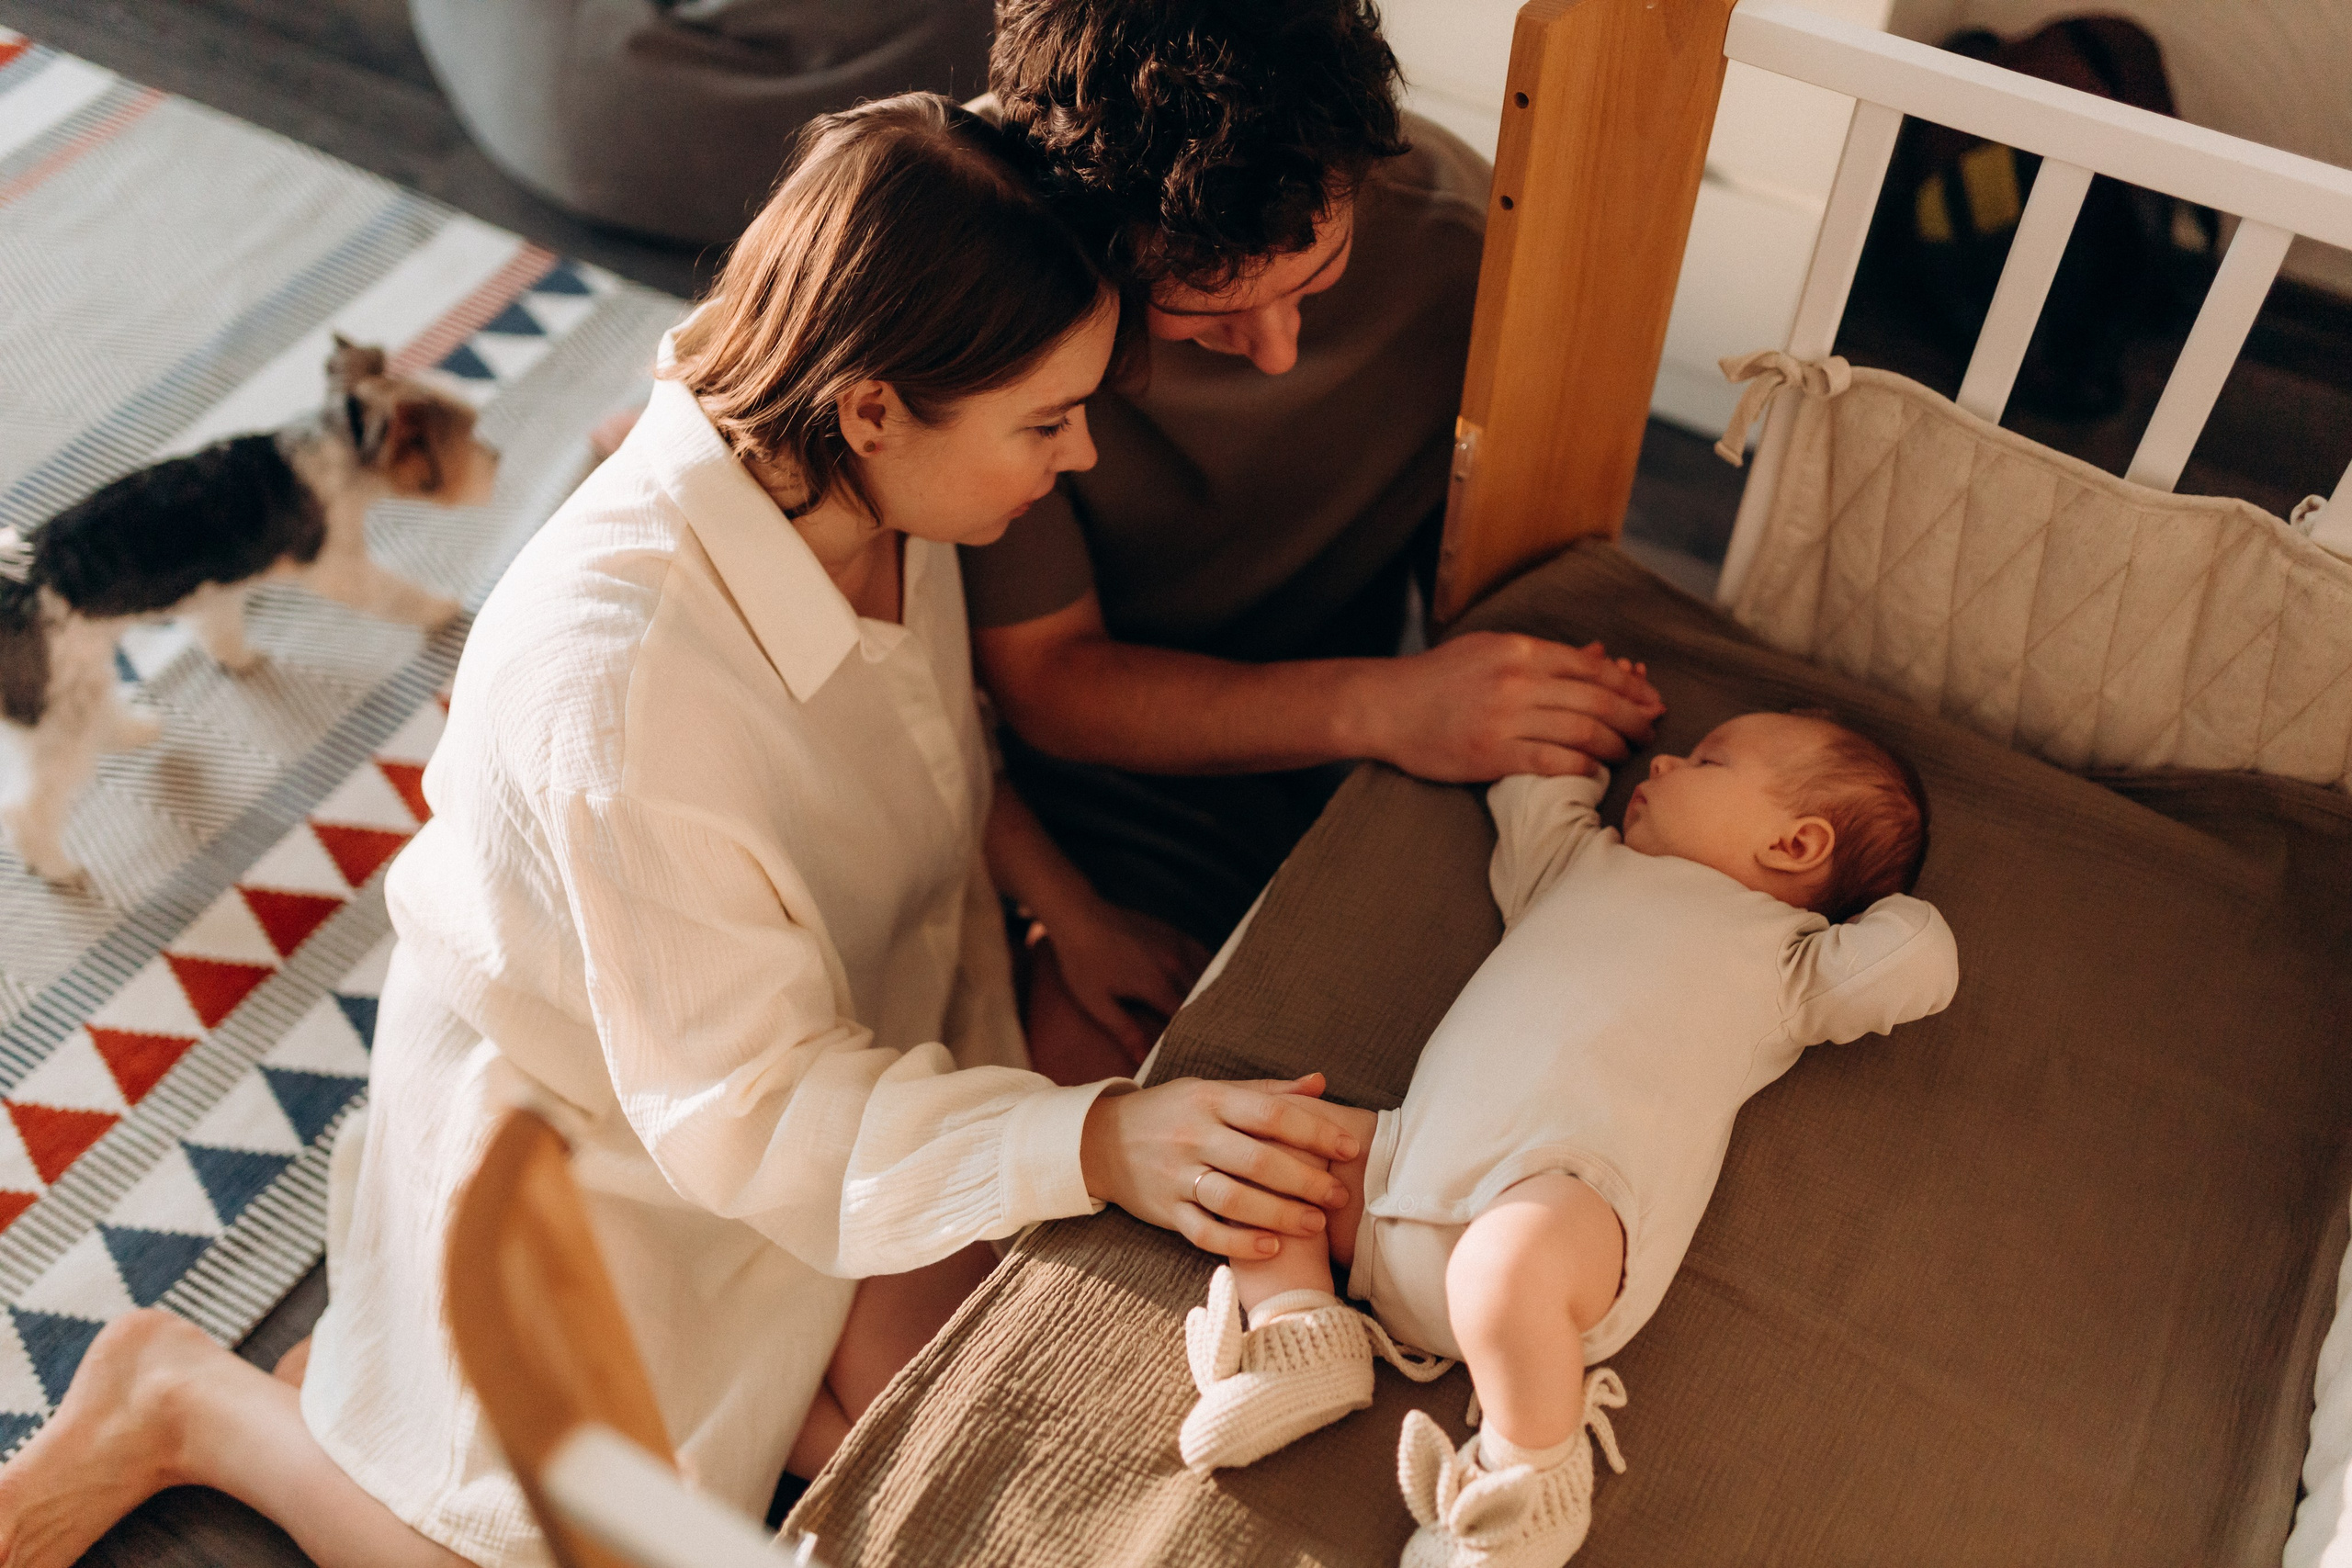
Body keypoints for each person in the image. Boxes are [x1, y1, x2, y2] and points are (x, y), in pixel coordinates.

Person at [0, 95, 1365, 1568]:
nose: (1080, 455)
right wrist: (1100, 1136)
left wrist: (1061, 905)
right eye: (1047, 421)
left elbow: (918, 748)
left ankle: (774, 1401)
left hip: (838, 1031)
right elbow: (755, 1112)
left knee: (936, 1425)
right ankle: (183, 1394)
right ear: (873, 411)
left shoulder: (868, 477)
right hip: (636, 1133)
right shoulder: (629, 687)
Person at [964, 0, 1668, 1082]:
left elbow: (1502, 588)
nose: (1279, 352)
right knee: (1068, 1095)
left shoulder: (1466, 249)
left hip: (1319, 728)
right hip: (1066, 756)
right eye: (1203, 315)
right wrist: (1383, 706)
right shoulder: (994, 254)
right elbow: (1048, 682)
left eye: (1317, 280)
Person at [1173, 711, 1961, 1568]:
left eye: (1708, 759)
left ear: (1797, 842)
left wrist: (1885, 895)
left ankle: (1527, 1483)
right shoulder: (1576, 863)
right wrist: (1580, 727)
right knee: (1259, 1139)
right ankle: (1301, 1333)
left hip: (1569, 1195)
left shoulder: (1789, 961)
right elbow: (1529, 776)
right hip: (1406, 1165)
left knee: (1499, 1270)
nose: (1664, 758)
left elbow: (1921, 961)